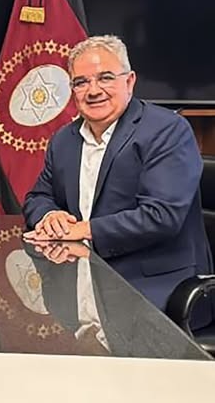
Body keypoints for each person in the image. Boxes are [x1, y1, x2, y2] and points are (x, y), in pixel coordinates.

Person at [23, 35, 212, 311]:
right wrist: (51, 216)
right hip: (78, 280)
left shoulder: (167, 131)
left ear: (130, 81)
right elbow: (38, 196)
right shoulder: (63, 140)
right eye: (81, 82)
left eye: (106, 78)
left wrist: (82, 229)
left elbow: (161, 216)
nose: (93, 90)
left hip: (154, 291)